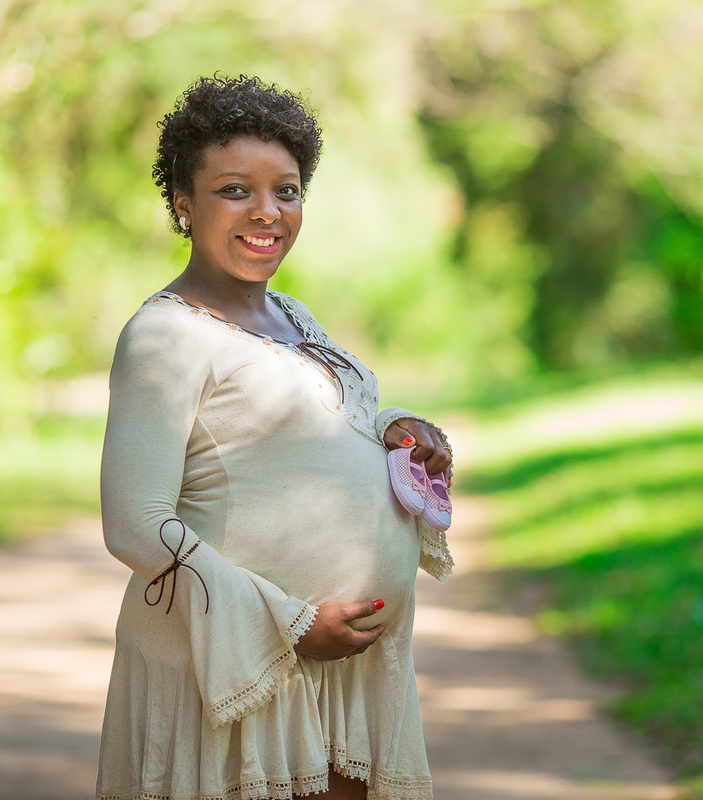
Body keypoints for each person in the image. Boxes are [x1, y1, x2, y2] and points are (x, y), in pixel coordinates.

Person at [96, 74, 454, 800]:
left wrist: (393, 434)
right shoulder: (164, 335)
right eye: (236, 190)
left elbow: (303, 432)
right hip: (239, 666)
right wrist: (287, 624)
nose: (267, 212)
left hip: (337, 673)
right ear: (183, 204)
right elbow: (135, 525)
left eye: (286, 191)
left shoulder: (295, 316)